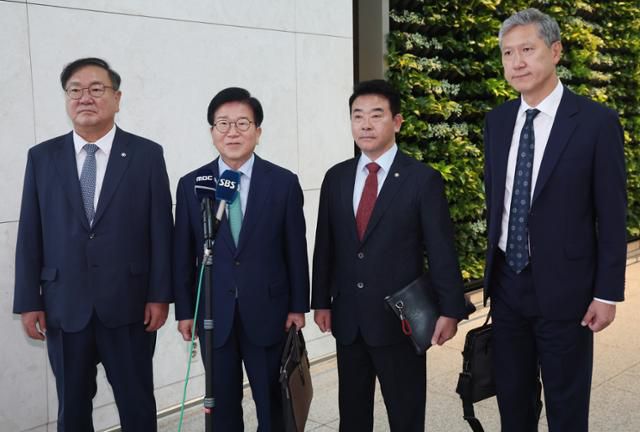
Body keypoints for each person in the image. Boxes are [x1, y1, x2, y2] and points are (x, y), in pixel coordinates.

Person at [483, 8, 627, 431]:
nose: (517, 62)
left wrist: (607, 293)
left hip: (568, 291)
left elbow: (611, 214)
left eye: (528, 49)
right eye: (508, 53)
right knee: (513, 404)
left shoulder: (596, 122)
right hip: (507, 286)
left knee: (566, 408)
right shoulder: (497, 121)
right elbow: (498, 201)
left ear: (556, 51)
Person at [13, 57, 173, 431]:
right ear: (67, 99)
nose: (85, 97)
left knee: (137, 404)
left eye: (96, 89)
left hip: (130, 305)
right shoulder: (42, 158)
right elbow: (30, 233)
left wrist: (160, 295)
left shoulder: (146, 155)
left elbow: (161, 230)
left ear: (117, 98)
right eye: (75, 90)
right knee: (72, 407)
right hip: (64, 306)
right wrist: (29, 301)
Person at [311, 79, 468, 431]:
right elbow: (325, 246)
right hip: (349, 319)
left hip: (400, 321)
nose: (365, 125)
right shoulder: (336, 178)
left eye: (376, 115)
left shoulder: (422, 179)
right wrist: (321, 301)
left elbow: (441, 250)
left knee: (405, 415)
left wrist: (450, 310)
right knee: (352, 415)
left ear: (397, 122)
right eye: (358, 116)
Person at [173, 87, 310, 431]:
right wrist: (186, 311)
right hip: (213, 315)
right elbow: (183, 255)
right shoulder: (193, 184)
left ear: (258, 131)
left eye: (242, 123)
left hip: (269, 313)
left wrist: (298, 307)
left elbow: (295, 250)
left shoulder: (282, 183)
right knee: (221, 408)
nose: (232, 132)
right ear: (212, 132)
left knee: (273, 404)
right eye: (223, 124)